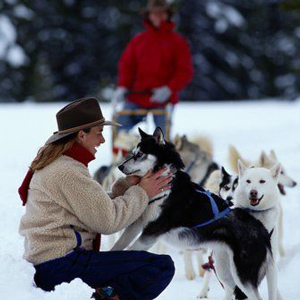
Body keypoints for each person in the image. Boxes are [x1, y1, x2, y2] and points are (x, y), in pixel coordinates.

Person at [18, 97, 175, 300]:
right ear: (82, 135)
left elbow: (92, 208)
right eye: (99, 133)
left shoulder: (61, 164)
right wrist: (143, 192)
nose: (102, 140)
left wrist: (129, 185)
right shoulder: (67, 171)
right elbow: (107, 221)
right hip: (60, 264)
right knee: (160, 267)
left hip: (50, 261)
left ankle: (105, 294)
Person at [113, 0, 193, 137]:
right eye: (154, 14)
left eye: (161, 13)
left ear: (168, 15)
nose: (158, 17)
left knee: (162, 137)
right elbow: (126, 65)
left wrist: (169, 89)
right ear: (148, 15)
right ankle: (121, 156)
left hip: (163, 100)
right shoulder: (138, 41)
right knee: (120, 128)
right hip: (137, 96)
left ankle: (162, 157)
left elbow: (185, 71)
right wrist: (123, 87)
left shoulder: (177, 42)